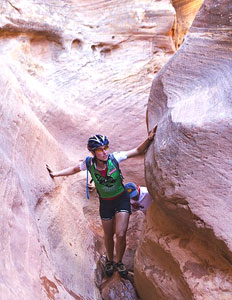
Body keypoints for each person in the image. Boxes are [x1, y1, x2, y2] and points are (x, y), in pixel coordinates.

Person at [46, 125, 157, 277]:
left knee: (121, 233)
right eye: (100, 150)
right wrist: (55, 174)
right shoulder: (88, 163)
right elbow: (73, 170)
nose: (104, 152)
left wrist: (149, 138)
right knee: (108, 235)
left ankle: (119, 262)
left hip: (121, 199)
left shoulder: (115, 158)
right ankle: (110, 261)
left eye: (105, 148)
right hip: (106, 203)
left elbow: (137, 151)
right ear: (93, 152)